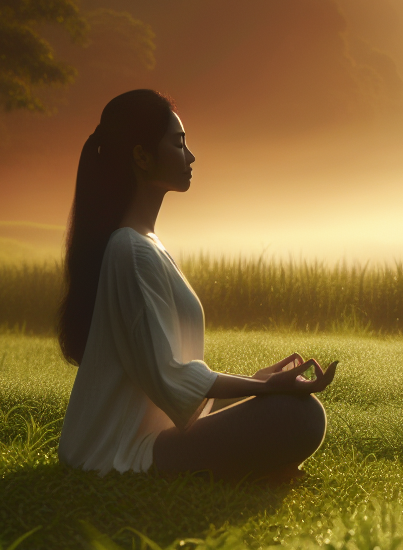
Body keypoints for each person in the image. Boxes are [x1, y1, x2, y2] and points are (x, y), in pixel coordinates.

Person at [57, 89, 336, 482]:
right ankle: (253, 468)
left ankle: (253, 465)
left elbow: (167, 386)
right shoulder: (129, 250)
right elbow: (168, 377)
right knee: (298, 416)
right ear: (141, 156)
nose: (190, 156)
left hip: (158, 432)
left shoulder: (144, 244)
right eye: (178, 143)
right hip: (120, 453)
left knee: (293, 410)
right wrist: (268, 388)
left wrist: (257, 382)